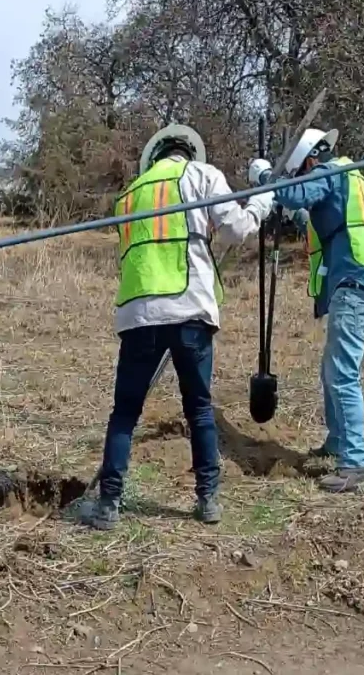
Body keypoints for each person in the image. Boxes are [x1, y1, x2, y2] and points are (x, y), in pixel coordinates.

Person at [86, 124, 276, 530]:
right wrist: (263, 199)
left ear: (153, 157)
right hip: (190, 309)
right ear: (190, 152)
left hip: (139, 315)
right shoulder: (201, 175)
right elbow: (236, 229)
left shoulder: (130, 194)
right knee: (199, 409)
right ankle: (208, 500)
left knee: (125, 413)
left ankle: (108, 504)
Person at [249, 129, 364, 493]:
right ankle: (337, 442)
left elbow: (297, 193)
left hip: (356, 285)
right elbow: (320, 219)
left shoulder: (328, 172)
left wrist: (266, 178)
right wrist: (293, 211)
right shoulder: (354, 178)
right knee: (334, 369)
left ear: (310, 162)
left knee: (342, 374)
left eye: (301, 172)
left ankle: (355, 462)